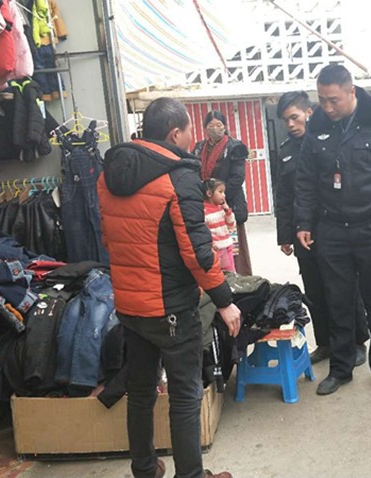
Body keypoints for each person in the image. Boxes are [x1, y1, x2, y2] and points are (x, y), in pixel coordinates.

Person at [98, 97, 240, 478]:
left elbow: (110, 239)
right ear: (175, 133)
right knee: (185, 394)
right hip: (171, 307)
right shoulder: (179, 178)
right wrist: (224, 300)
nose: (194, 137)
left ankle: (145, 469)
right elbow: (198, 251)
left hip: (130, 305)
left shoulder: (108, 175)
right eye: (190, 130)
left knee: (141, 391)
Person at [295, 64, 371, 397]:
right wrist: (304, 222)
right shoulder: (317, 126)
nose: (327, 107)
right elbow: (305, 180)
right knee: (338, 302)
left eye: (333, 100)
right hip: (332, 229)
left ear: (351, 92)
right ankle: (341, 368)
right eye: (322, 100)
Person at [274, 90, 369, 366]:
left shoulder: (328, 141)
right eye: (286, 120)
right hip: (302, 234)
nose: (291, 124)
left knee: (344, 287)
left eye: (294, 117)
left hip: (333, 228)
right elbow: (283, 196)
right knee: (314, 290)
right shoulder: (286, 151)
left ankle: (357, 341)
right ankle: (326, 342)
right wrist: (284, 235)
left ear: (309, 112)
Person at [194, 111, 253, 275]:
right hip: (207, 208)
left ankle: (238, 279)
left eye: (219, 125)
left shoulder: (235, 147)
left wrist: (219, 197)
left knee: (233, 251)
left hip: (228, 205)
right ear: (205, 128)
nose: (215, 129)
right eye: (211, 125)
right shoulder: (199, 148)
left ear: (225, 126)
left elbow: (237, 177)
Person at [204, 178, 236, 273]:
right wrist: (211, 243)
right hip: (215, 248)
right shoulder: (204, 211)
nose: (224, 195)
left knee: (230, 271)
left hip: (227, 246)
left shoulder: (221, 208)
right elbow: (204, 231)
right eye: (220, 192)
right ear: (209, 193)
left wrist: (227, 211)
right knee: (217, 272)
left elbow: (231, 225)